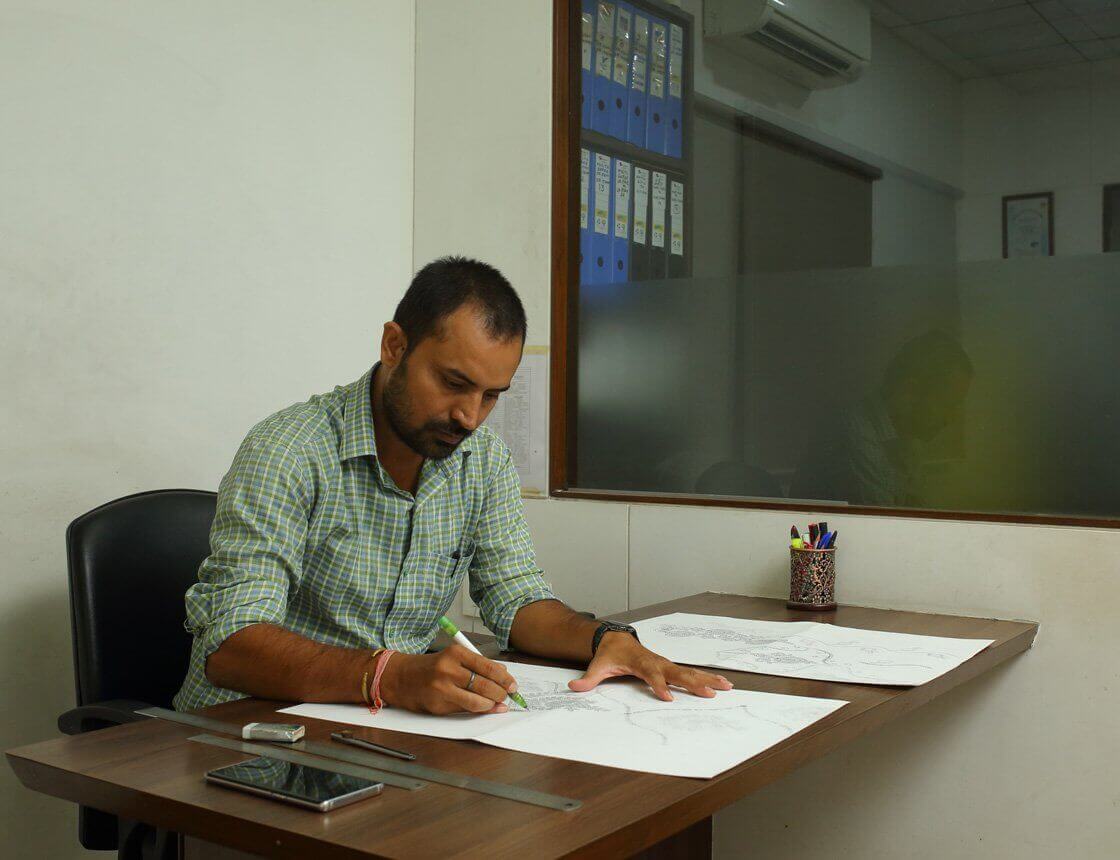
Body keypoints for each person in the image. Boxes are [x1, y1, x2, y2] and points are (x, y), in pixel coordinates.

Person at [174, 256, 731, 714]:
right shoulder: (289, 450)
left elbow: (516, 598)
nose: (469, 416)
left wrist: (606, 639)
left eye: (491, 396)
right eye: (453, 382)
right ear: (394, 346)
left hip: (378, 728)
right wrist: (391, 676)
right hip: (243, 732)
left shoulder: (481, 461)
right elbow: (230, 644)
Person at [790, 330, 973, 507]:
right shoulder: (855, 435)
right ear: (909, 391)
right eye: (947, 404)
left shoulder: (905, 438)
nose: (952, 418)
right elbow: (883, 521)